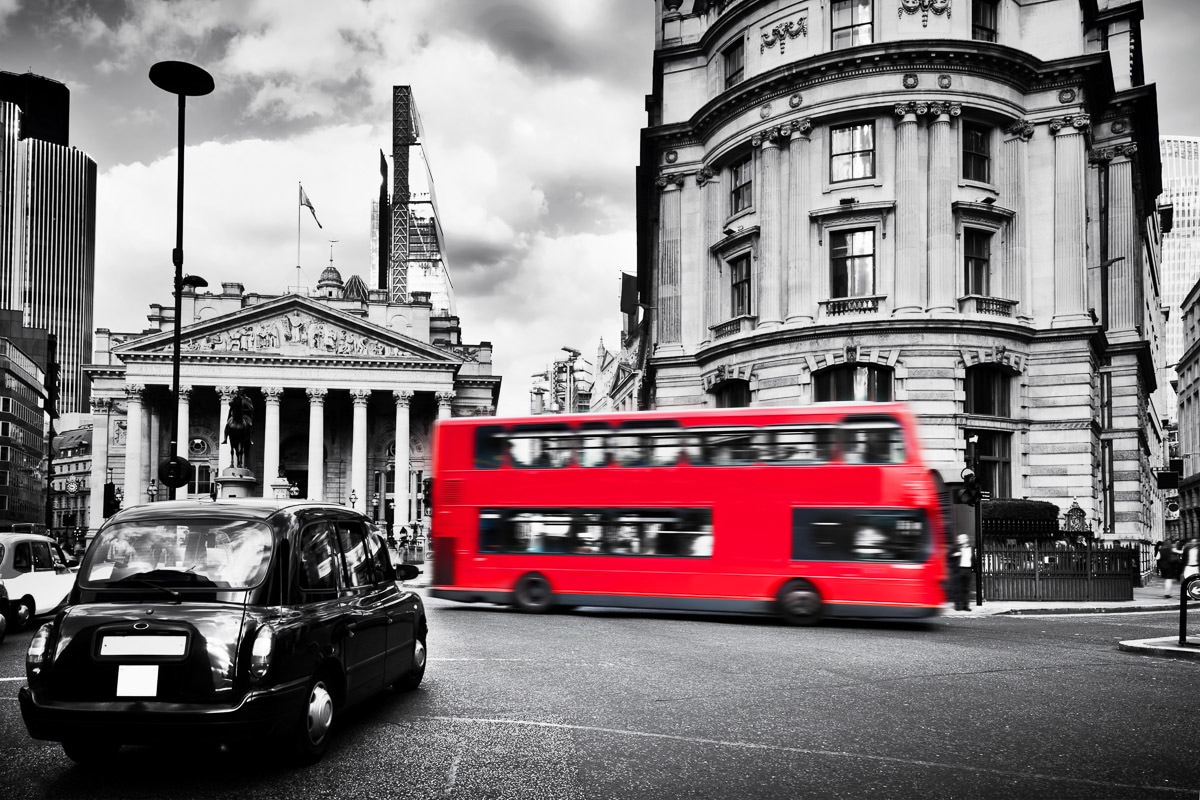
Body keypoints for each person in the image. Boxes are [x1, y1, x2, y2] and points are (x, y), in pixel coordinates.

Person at [949, 533, 974, 611]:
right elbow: (948, 557)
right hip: (959, 569)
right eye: (959, 539)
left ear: (966, 539)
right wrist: (954, 555)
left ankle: (965, 606)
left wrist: (973, 568)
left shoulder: (971, 548)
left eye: (961, 538)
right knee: (958, 588)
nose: (959, 540)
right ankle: (958, 606)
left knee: (966, 589)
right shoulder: (955, 548)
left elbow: (974, 559)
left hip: (968, 569)